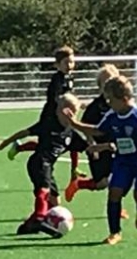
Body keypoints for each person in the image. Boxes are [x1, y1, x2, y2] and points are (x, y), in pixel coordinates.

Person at [67, 76, 137, 245]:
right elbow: (98, 130)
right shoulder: (112, 115)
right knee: (114, 193)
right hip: (122, 162)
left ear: (124, 99)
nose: (108, 103)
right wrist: (74, 124)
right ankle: (115, 232)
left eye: (111, 99)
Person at [0, 93, 83, 236]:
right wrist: (4, 144)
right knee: (44, 190)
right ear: (60, 111)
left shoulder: (72, 132)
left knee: (55, 202)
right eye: (69, 112)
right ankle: (39, 218)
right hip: (38, 163)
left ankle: (29, 226)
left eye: (75, 113)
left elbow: (84, 147)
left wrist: (100, 149)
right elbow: (24, 133)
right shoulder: (48, 124)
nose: (72, 116)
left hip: (49, 166)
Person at [7, 45, 83, 182]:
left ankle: (74, 169)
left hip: (63, 116)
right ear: (57, 65)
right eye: (66, 62)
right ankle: (19, 147)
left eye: (72, 62)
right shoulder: (57, 79)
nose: (70, 65)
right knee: (50, 145)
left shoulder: (69, 77)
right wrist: (69, 105)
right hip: (51, 117)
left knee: (71, 139)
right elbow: (57, 98)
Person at [64, 63, 128, 220]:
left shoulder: (121, 104)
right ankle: (79, 184)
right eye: (105, 82)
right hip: (99, 149)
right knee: (102, 184)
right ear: (100, 86)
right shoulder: (95, 107)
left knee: (118, 179)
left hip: (116, 148)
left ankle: (117, 208)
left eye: (112, 80)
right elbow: (85, 127)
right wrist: (91, 143)